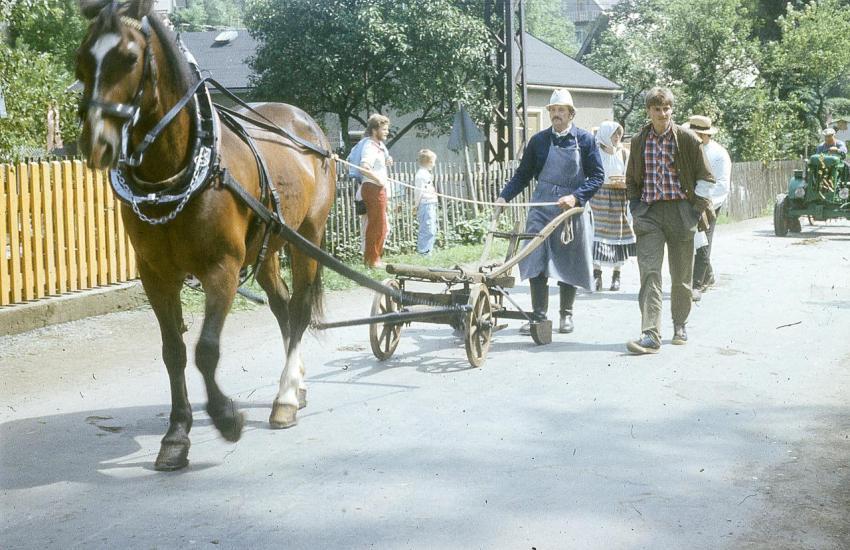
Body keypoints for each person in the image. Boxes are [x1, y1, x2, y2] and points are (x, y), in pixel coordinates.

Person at [495, 88, 604, 334]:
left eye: (561, 110)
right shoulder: (539, 141)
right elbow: (522, 175)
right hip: (541, 206)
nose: (556, 115)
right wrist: (504, 197)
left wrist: (576, 197)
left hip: (570, 210)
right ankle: (538, 316)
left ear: (571, 113)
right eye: (553, 110)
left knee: (568, 260)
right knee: (535, 259)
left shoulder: (585, 140)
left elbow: (598, 176)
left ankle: (566, 315)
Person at [625, 87, 715, 355]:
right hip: (649, 214)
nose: (662, 114)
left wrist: (695, 209)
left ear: (671, 110)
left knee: (681, 277)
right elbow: (631, 178)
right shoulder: (640, 139)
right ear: (648, 111)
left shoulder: (687, 138)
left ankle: (680, 324)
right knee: (650, 273)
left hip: (680, 212)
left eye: (666, 109)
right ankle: (650, 333)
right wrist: (635, 207)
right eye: (657, 109)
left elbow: (706, 177)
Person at [685, 115, 730, 300]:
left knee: (703, 239)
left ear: (704, 135)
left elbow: (722, 185)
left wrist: (703, 199)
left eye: (696, 134)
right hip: (690, 200)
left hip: (711, 201)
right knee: (692, 239)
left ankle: (698, 284)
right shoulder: (690, 149)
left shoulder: (719, 154)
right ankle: (708, 275)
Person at [590, 121, 635, 291]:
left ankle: (617, 274)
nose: (617, 137)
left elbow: (630, 175)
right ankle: (596, 274)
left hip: (618, 197)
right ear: (605, 135)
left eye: (619, 134)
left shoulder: (624, 154)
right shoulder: (595, 153)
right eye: (613, 134)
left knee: (618, 234)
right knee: (596, 234)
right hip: (598, 197)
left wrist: (624, 181)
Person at [358, 114, 393, 268]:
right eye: (384, 129)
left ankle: (374, 258)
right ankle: (372, 260)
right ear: (374, 130)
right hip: (373, 188)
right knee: (376, 225)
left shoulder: (378, 146)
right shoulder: (370, 146)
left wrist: (386, 161)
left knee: (382, 225)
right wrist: (378, 179)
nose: (387, 132)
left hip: (377, 188)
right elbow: (364, 167)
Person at [414, 149, 439, 255]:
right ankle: (424, 252)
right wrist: (416, 205)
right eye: (433, 162)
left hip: (430, 203)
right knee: (427, 228)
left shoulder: (426, 174)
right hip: (425, 204)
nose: (434, 165)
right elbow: (418, 191)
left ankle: (428, 251)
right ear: (428, 162)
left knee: (432, 228)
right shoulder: (421, 175)